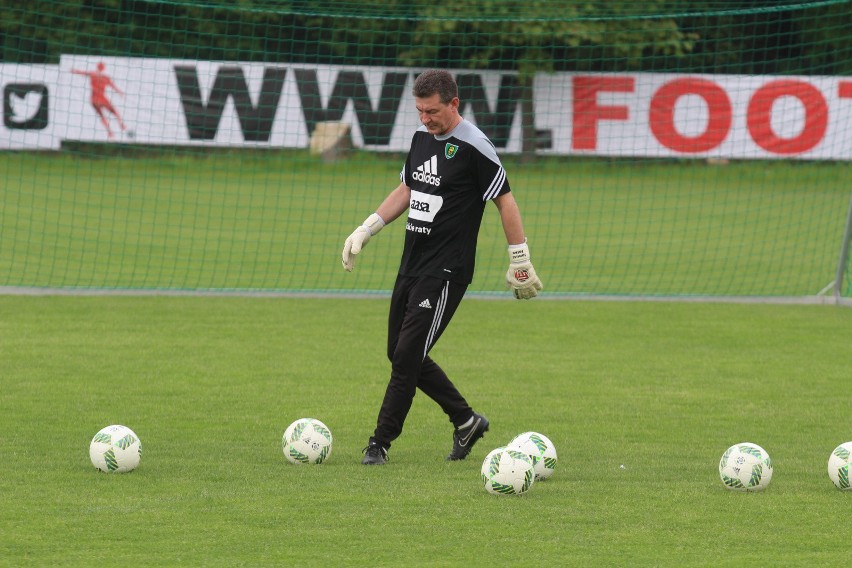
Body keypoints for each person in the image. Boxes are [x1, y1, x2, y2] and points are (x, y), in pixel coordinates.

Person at [341, 69, 543, 465]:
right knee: (399, 353)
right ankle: (466, 421)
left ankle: (379, 443)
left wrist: (519, 257)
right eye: (419, 111)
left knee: (406, 358)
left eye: (432, 111)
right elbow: (408, 188)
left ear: (454, 103)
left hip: (446, 271)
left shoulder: (476, 146)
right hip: (411, 264)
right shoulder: (421, 139)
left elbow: (505, 200)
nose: (425, 119)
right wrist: (367, 229)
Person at [71, 62, 127, 139]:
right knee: (114, 112)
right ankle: (121, 124)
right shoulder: (106, 78)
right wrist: (120, 93)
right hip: (102, 98)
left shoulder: (92, 74)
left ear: (97, 67)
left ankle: (110, 132)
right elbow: (114, 87)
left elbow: (82, 73)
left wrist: (74, 71)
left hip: (94, 99)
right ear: (104, 68)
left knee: (102, 115)